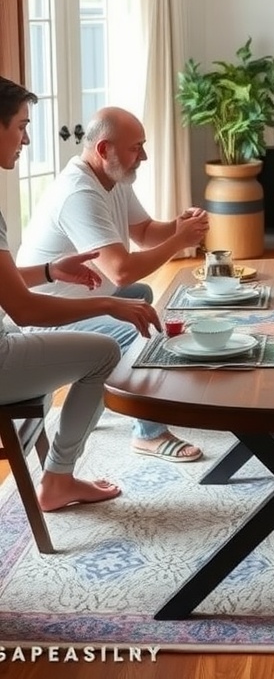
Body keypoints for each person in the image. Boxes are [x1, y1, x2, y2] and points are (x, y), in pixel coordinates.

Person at [0, 76, 161, 512]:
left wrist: (53, 269)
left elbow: (6, 285)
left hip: (15, 327)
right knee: (107, 348)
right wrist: (110, 302)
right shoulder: (79, 189)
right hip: (11, 340)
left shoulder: (113, 180)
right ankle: (59, 480)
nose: (27, 138)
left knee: (134, 299)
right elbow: (21, 306)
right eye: (20, 125)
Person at [17, 106, 210, 463]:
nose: (145, 156)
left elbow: (145, 232)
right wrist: (179, 240)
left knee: (143, 297)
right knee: (142, 330)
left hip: (82, 298)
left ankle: (110, 393)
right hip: (46, 316)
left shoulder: (112, 177)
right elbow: (121, 271)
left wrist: (180, 226)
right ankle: (149, 434)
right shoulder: (80, 193)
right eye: (137, 147)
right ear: (105, 150)